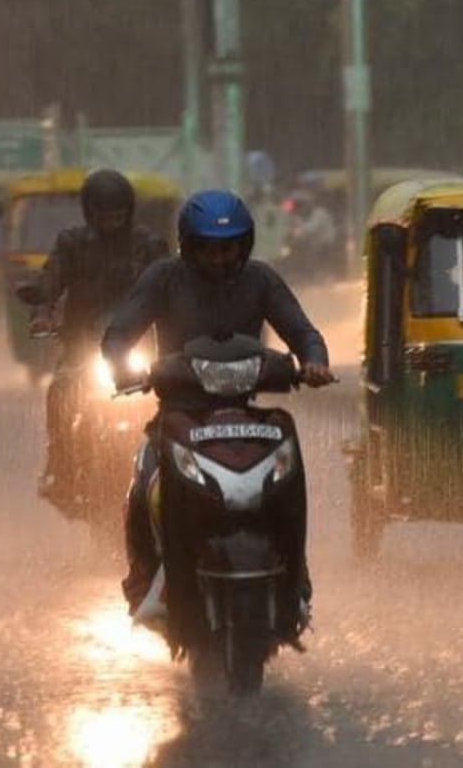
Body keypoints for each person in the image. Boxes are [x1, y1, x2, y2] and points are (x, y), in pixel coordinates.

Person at [101, 189, 336, 640]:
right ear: (188, 245)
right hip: (177, 414)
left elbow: (302, 331)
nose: (218, 258)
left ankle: (296, 580)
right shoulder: (163, 278)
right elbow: (119, 333)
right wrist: (119, 366)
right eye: (207, 248)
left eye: (227, 248)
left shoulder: (261, 280)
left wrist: (314, 361)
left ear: (244, 245)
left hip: (245, 413)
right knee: (141, 482)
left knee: (287, 459)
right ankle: (144, 580)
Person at [28, 169, 170, 508]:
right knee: (59, 392)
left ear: (130, 212)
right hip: (82, 348)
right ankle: (59, 466)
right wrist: (42, 310)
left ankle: (176, 465)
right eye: (104, 217)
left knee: (173, 394)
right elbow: (51, 279)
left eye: (118, 216)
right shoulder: (72, 244)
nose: (111, 223)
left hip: (137, 348)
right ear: (90, 214)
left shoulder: (148, 246)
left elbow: (170, 283)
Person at [284, 188, 340, 282]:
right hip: (320, 245)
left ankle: (324, 279)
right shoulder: (312, 214)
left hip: (325, 245)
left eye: (302, 205)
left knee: (318, 262)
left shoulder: (319, 213)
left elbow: (310, 229)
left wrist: (297, 224)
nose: (302, 208)